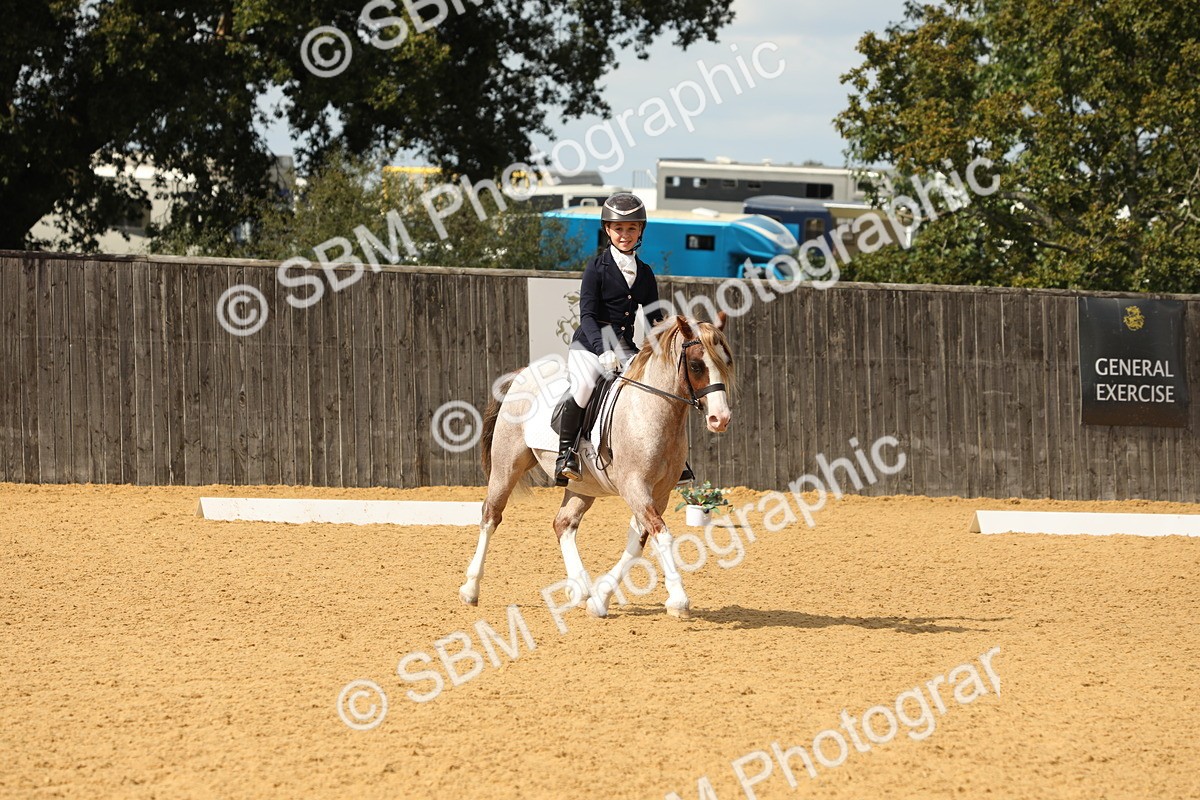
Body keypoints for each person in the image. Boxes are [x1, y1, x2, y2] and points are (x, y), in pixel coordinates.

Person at [554, 192, 693, 487]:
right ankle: (565, 454)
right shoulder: (596, 268)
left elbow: (655, 320)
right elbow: (588, 315)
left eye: (631, 229)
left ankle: (674, 461)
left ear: (640, 230)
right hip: (589, 345)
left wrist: (668, 345)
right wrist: (603, 350)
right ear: (607, 230)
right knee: (584, 386)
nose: (625, 235)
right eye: (619, 229)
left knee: (655, 390)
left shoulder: (645, 273)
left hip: (626, 347)